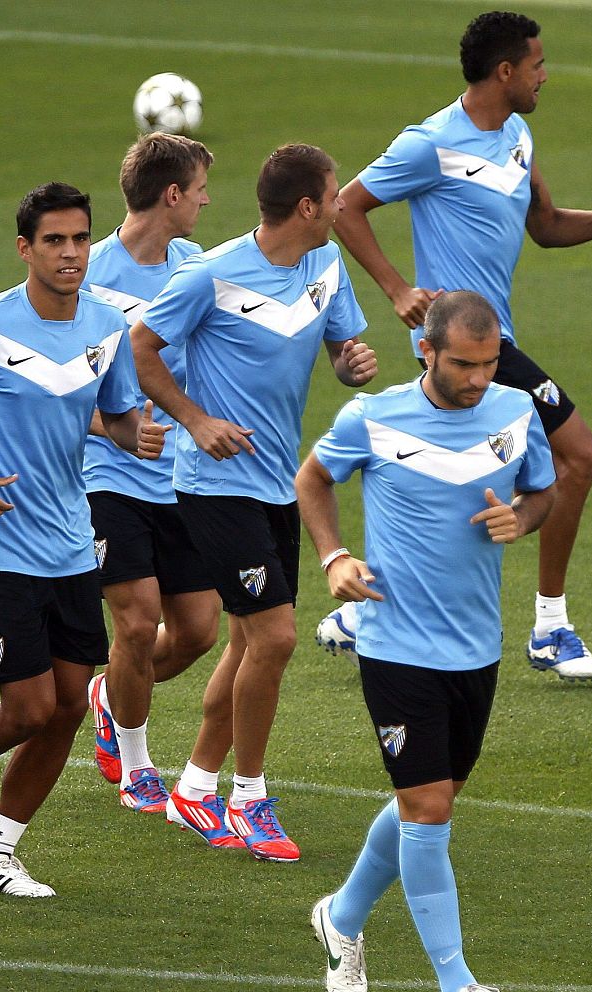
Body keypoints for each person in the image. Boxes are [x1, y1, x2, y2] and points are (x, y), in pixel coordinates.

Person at [316, 9, 592, 682]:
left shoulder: (518, 135)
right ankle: (551, 626)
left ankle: (370, 606)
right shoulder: (430, 144)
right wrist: (396, 290)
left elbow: (546, 225)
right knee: (581, 456)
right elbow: (344, 207)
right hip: (465, 344)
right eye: (537, 64)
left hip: (492, 340)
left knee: (456, 480)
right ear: (505, 71)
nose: (544, 76)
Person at [294, 290, 555, 992]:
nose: (479, 378)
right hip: (396, 646)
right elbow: (313, 480)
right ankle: (460, 988)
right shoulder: (371, 418)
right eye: (464, 364)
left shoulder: (514, 411)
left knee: (428, 804)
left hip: (477, 648)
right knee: (430, 809)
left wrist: (521, 519)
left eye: (489, 362)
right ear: (426, 352)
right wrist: (335, 556)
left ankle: (340, 918)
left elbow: (543, 489)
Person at [0, 183, 165, 898]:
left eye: (81, 239)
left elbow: (109, 415)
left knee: (71, 705)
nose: (71, 253)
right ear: (25, 248)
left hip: (70, 541)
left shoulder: (109, 325)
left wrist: (131, 433)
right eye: (54, 241)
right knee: (28, 707)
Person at [132, 143, 376, 860]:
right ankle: (250, 798)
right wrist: (194, 420)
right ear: (307, 207)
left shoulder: (326, 266)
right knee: (274, 638)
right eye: (333, 198)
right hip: (213, 485)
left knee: (245, 641)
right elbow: (140, 348)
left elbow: (342, 348)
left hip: (275, 482)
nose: (340, 208)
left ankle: (195, 787)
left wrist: (350, 364)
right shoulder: (210, 276)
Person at [81, 135, 222, 812]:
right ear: (171, 195)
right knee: (136, 625)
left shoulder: (198, 268)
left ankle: (109, 693)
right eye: (198, 190)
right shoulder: (85, 275)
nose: (204, 201)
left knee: (198, 630)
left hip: (181, 477)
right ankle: (137, 765)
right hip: (107, 475)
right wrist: (111, 427)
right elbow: (47, 385)